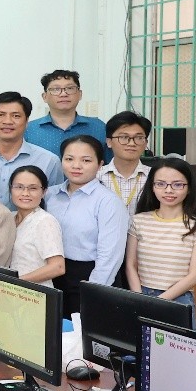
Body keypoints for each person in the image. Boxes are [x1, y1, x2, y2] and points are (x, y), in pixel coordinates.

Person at [44, 136, 127, 318]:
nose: (76, 166)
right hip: (52, 275)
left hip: (90, 277)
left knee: (81, 332)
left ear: (100, 165)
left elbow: (110, 258)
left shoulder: (108, 202)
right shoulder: (50, 195)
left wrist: (91, 292)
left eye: (86, 160)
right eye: (69, 159)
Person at [126, 158, 196, 326]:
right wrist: (140, 298)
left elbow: (195, 276)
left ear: (189, 188)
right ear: (152, 186)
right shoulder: (139, 220)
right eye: (161, 184)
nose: (169, 190)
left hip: (179, 300)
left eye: (177, 185)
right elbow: (130, 264)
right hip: (141, 295)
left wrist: (158, 302)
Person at [25, 69, 107, 157]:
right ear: (44, 97)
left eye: (70, 88)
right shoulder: (28, 129)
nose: (63, 94)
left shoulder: (99, 127)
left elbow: (110, 163)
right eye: (56, 89)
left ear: (80, 94)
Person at [8, 166, 65, 283]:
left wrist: (15, 282)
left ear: (43, 192)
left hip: (32, 291)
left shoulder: (45, 221)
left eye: (33, 188)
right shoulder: (9, 218)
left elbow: (58, 267)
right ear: (10, 189)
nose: (25, 193)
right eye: (19, 187)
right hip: (8, 290)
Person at [99, 111, 153, 218]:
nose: (131, 143)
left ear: (145, 143)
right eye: (124, 137)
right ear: (109, 142)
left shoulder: (155, 177)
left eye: (139, 138)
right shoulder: (96, 177)